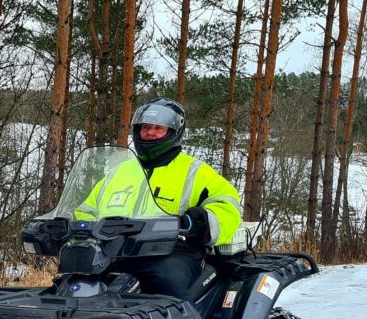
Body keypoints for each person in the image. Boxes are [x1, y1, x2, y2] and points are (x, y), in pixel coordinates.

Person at [74, 99, 243, 300]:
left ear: (173, 132)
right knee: (73, 285)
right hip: (114, 252)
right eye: (145, 127)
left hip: (172, 253)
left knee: (170, 291)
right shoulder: (119, 172)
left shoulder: (195, 171)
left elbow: (228, 205)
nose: (150, 133)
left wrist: (198, 221)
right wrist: (74, 228)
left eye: (158, 128)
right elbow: (86, 209)